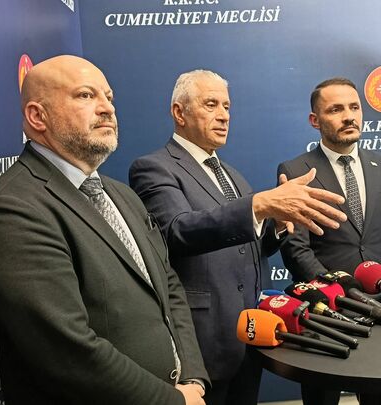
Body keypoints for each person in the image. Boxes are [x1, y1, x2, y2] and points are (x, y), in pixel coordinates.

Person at [0, 55, 209, 405]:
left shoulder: (122, 195)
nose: (107, 108)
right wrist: (173, 401)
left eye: (108, 97)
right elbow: (66, 352)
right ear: (37, 117)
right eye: (85, 95)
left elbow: (167, 284)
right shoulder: (10, 210)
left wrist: (193, 378)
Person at [129, 70, 347, 405]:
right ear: (179, 112)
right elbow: (177, 231)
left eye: (227, 107)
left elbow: (250, 248)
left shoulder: (232, 175)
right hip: (203, 341)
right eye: (211, 104)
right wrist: (258, 205)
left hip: (251, 335)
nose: (223, 116)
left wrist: (276, 225)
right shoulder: (154, 168)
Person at [277, 77, 381, 405]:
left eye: (354, 107)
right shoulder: (297, 170)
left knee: (378, 399)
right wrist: (339, 294)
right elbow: (295, 247)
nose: (349, 116)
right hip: (325, 312)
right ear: (315, 120)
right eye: (336, 109)